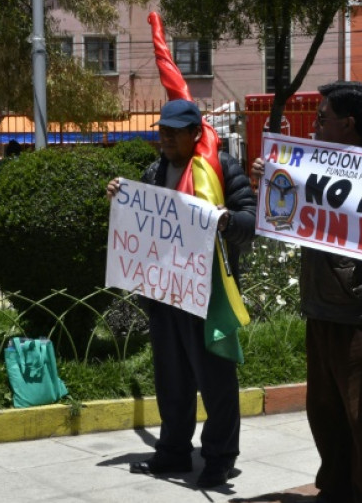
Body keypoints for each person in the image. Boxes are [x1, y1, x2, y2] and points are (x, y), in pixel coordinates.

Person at [252, 81, 362, 502]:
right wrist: (270, 181)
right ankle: (336, 489)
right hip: (320, 308)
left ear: (349, 123)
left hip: (358, 317)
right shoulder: (315, 164)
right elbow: (286, 217)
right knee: (324, 412)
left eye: (322, 119)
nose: (315, 126)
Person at [106, 99, 257, 488]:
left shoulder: (222, 168)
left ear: (195, 133)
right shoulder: (154, 172)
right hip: (165, 294)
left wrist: (227, 220)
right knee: (171, 379)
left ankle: (219, 458)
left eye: (175, 132)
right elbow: (141, 220)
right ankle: (173, 451)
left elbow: (250, 222)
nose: (166, 138)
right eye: (162, 131)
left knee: (216, 381)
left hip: (209, 297)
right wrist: (120, 196)